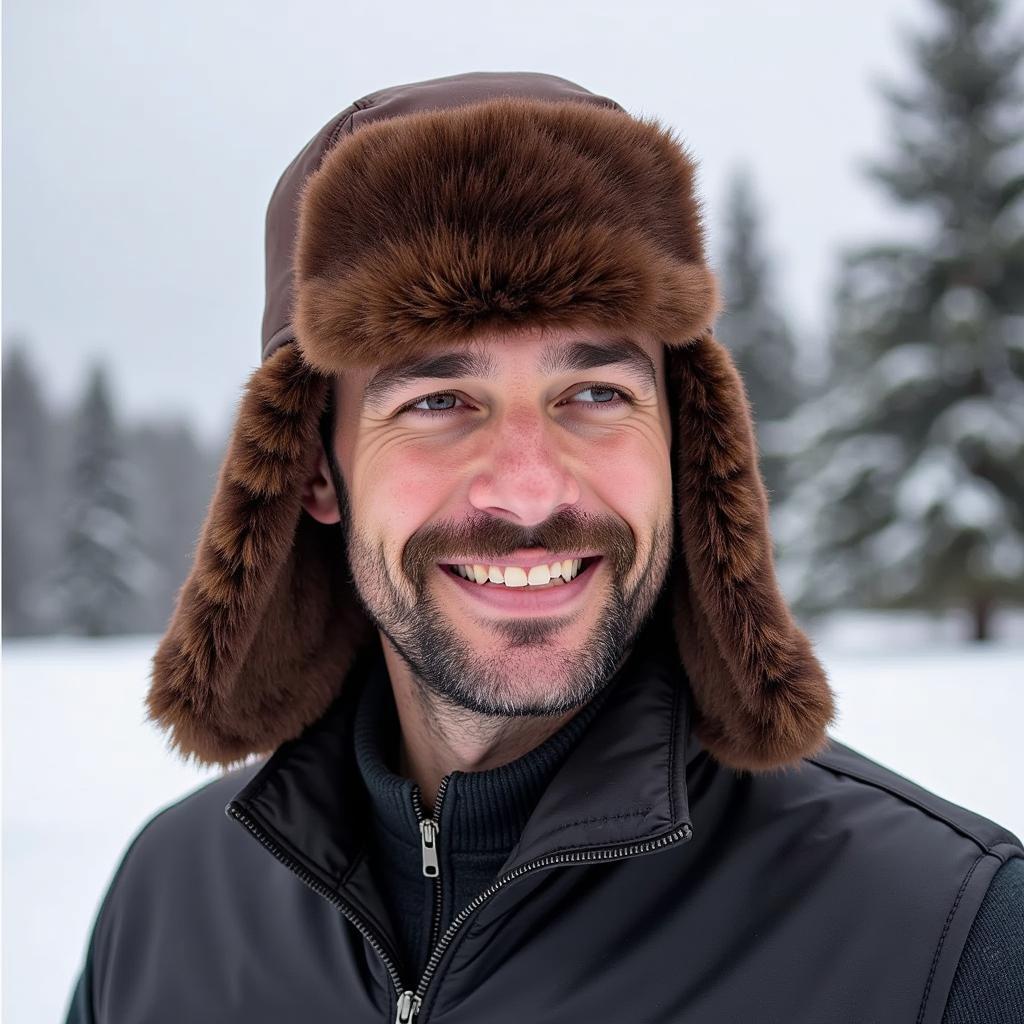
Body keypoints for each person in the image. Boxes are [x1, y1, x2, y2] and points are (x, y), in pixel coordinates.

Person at [64, 71, 1023, 1024]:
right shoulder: (166, 907)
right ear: (314, 466)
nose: (529, 488)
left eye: (597, 394)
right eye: (438, 402)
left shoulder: (945, 941)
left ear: (683, 445)